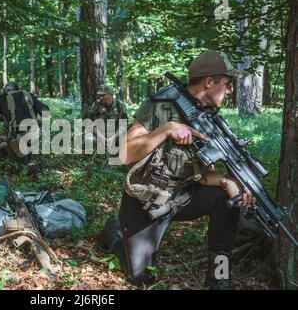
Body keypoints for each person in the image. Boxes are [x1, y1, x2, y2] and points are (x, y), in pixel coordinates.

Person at [97, 50, 256, 290]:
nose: (230, 90)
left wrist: (227, 181)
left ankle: (219, 277)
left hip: (182, 196)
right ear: (209, 82)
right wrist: (166, 129)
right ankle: (114, 235)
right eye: (227, 84)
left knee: (225, 198)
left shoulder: (208, 117)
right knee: (140, 277)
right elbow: (124, 153)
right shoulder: (161, 105)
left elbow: (204, 173)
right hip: (147, 200)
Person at [0, 82, 49, 172]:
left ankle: (32, 168)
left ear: (5, 90)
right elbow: (45, 110)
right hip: (34, 134)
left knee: (17, 167)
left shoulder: (0, 99)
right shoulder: (28, 96)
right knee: (27, 157)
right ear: (18, 89)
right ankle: (33, 165)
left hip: (16, 137)